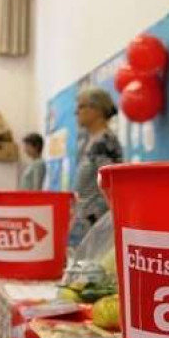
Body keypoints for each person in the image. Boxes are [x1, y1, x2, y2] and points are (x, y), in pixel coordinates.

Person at [70, 86, 123, 244]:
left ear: (97, 109)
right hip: (85, 223)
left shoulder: (105, 142)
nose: (76, 112)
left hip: (97, 225)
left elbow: (111, 185)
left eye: (81, 107)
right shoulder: (89, 141)